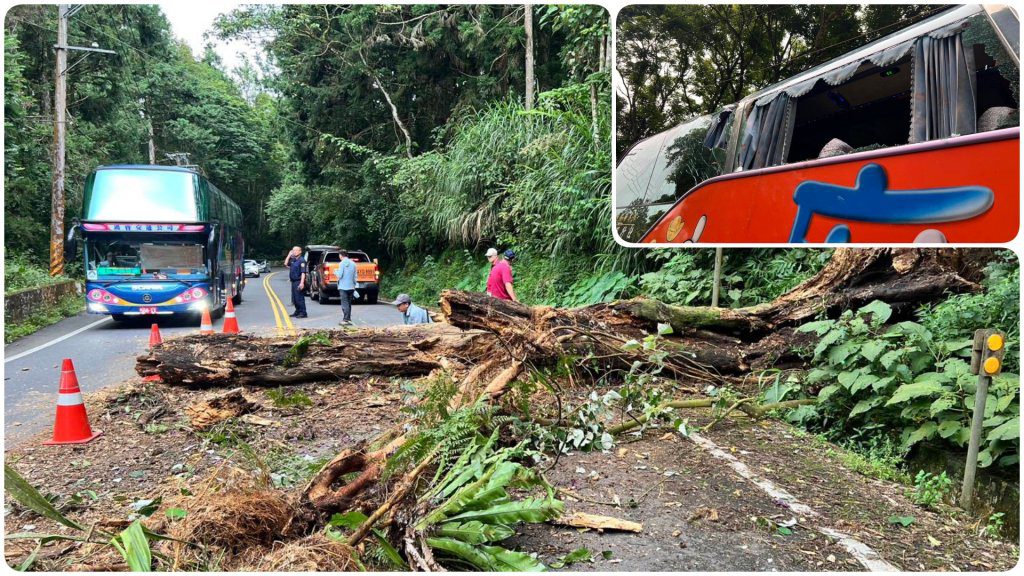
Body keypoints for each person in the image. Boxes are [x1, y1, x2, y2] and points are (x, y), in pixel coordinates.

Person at [285, 246, 307, 318]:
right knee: (294, 298)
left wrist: (302, 283)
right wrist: (289, 255)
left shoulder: (302, 260)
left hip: (298, 281)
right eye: (293, 250)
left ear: (300, 251)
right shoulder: (293, 260)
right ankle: (297, 311)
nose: (294, 252)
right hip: (293, 281)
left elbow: (303, 273)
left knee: (299, 298)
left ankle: (303, 313)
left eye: (296, 250)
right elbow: (285, 264)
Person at [336, 249, 357, 325]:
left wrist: (336, 272)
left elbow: (339, 275)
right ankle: (349, 319)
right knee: (348, 303)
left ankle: (345, 320)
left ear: (341, 255)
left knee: (344, 303)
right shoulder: (353, 263)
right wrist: (354, 285)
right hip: (351, 286)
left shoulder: (341, 263)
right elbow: (355, 276)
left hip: (343, 287)